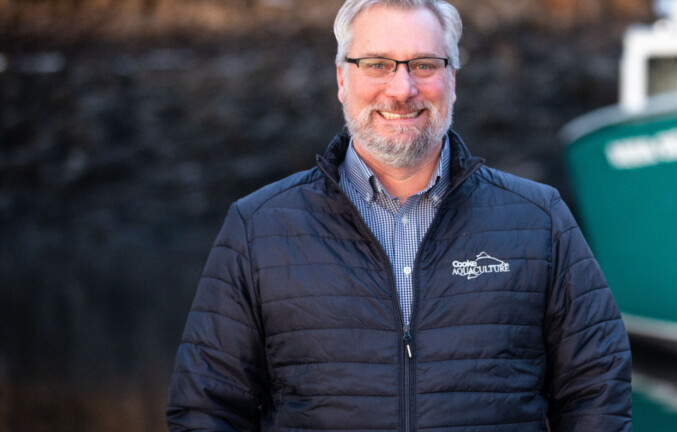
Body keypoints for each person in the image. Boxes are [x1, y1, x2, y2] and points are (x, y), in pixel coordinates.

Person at [165, 0, 633, 430]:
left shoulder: (539, 219)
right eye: (377, 64)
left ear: (452, 79)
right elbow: (207, 409)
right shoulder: (258, 227)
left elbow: (597, 391)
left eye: (424, 64)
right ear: (342, 79)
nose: (402, 89)